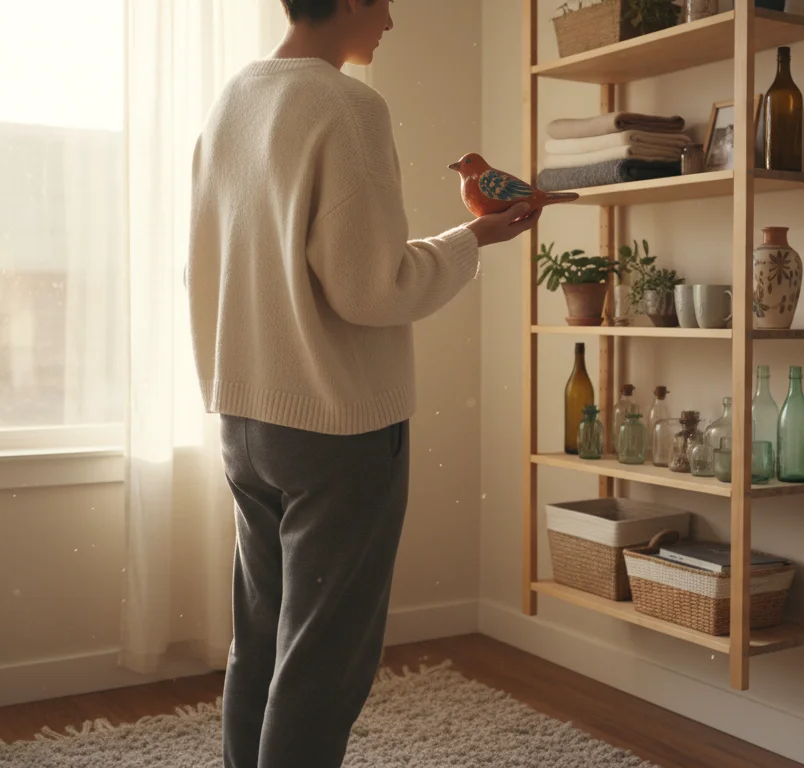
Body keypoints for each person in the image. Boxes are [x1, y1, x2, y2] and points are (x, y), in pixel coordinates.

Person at [186, 1, 538, 766]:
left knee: (262, 641)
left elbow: (221, 261)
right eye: (380, 0)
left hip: (247, 415)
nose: (389, 19)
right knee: (323, 663)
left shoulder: (233, 102)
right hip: (335, 426)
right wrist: (474, 236)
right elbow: (372, 288)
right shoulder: (347, 106)